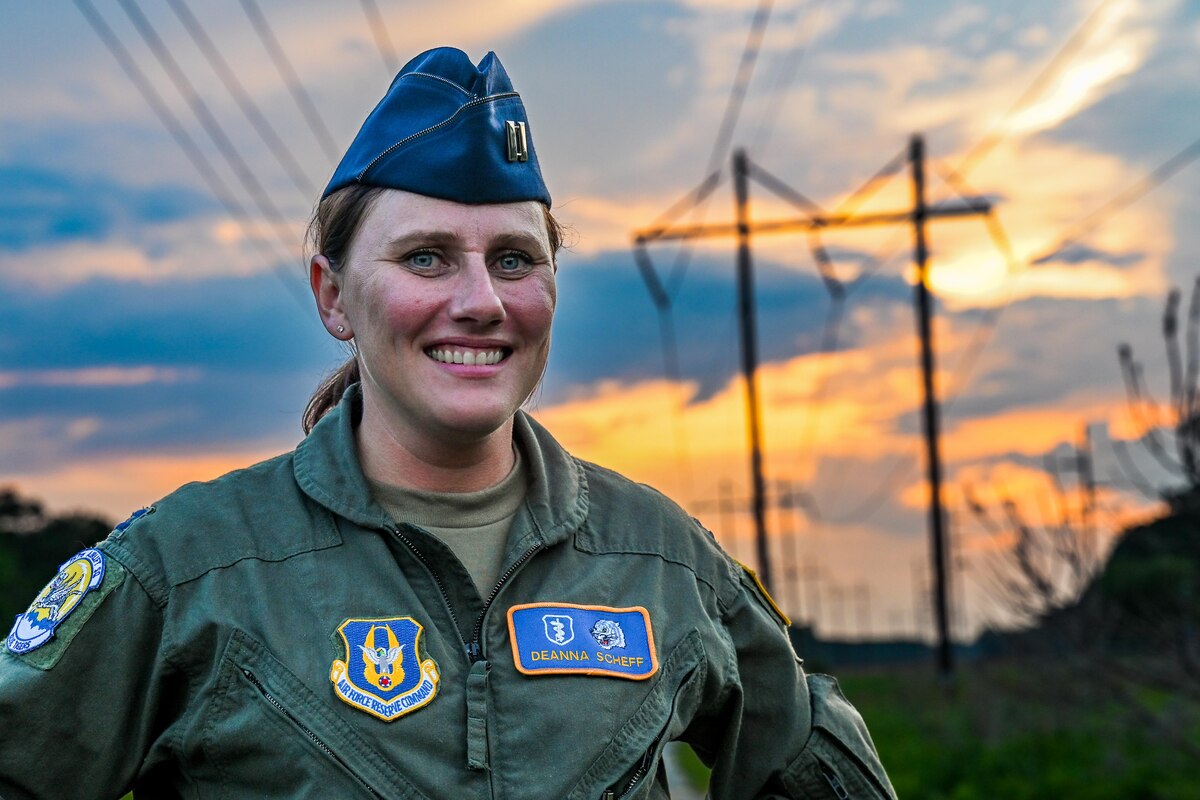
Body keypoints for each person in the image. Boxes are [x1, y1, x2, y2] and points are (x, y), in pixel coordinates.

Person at [0, 47, 896, 799]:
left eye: (515, 259)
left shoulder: (659, 557)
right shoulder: (188, 567)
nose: (480, 301)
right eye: (425, 257)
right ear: (333, 296)